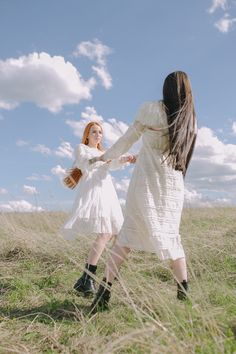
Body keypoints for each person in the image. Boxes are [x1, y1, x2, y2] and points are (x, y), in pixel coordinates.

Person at [89, 71, 197, 312]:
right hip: (173, 186)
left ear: (165, 88)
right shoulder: (188, 119)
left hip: (147, 181)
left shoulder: (151, 110)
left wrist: (104, 157)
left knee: (126, 237)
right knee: (172, 238)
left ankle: (103, 294)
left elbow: (127, 140)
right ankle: (184, 296)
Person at [61, 121, 135, 296]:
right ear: (87, 134)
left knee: (111, 233)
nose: (97, 135)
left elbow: (112, 165)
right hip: (94, 192)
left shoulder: (103, 152)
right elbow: (85, 163)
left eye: (100, 132)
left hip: (107, 193)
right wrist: (102, 158)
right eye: (94, 132)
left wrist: (124, 159)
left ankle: (86, 280)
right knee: (105, 233)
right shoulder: (81, 148)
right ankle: (87, 278)